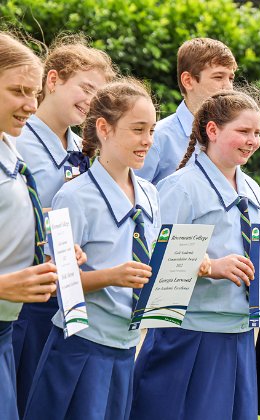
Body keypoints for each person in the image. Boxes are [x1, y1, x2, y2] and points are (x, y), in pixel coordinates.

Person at [130, 89, 260, 420]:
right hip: (187, 337)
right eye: (243, 131)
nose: (252, 140)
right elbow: (152, 263)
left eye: (256, 132)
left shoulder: (254, 189)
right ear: (212, 131)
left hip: (240, 335)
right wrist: (211, 266)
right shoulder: (180, 188)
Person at [23, 78, 161, 420]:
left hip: (127, 347)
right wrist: (111, 276)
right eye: (138, 129)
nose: (148, 141)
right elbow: (58, 282)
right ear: (104, 128)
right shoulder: (74, 196)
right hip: (79, 350)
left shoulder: (150, 194)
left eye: (152, 130)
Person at [10, 35, 114, 417]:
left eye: (97, 94)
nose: (90, 100)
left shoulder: (81, 148)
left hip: (67, 294)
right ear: (52, 81)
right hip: (23, 297)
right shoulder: (18, 141)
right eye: (85, 88)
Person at [0, 31, 59, 420]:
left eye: (35, 93)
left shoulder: (9, 147)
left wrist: (49, 247)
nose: (30, 106)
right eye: (19, 91)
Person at [136, 37, 236, 184]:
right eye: (218, 77)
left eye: (231, 78)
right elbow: (133, 199)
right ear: (188, 81)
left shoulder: (228, 137)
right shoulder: (157, 139)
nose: (228, 87)